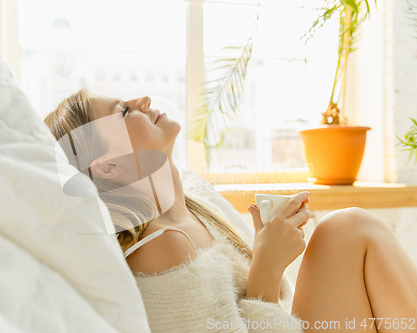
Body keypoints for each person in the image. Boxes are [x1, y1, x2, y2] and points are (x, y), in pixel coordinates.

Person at [44, 88, 417, 333]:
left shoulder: (195, 209)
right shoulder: (161, 251)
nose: (142, 99)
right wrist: (267, 268)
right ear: (110, 167)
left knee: (347, 230)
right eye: (123, 112)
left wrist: (268, 247)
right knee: (350, 229)